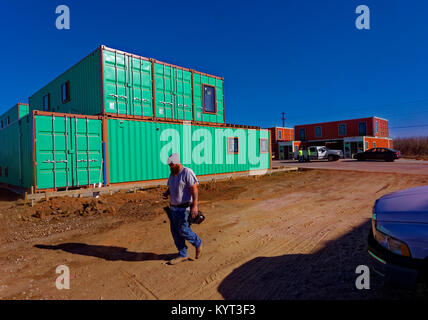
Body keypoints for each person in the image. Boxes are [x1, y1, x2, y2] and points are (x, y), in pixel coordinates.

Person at [163, 153, 202, 265]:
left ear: (177, 163)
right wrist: (167, 193)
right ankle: (182, 254)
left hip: (184, 209)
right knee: (175, 232)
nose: (170, 167)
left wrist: (195, 206)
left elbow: (194, 189)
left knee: (183, 230)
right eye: (169, 165)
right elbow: (171, 187)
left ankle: (198, 243)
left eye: (172, 165)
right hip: (173, 209)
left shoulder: (187, 172)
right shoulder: (172, 174)